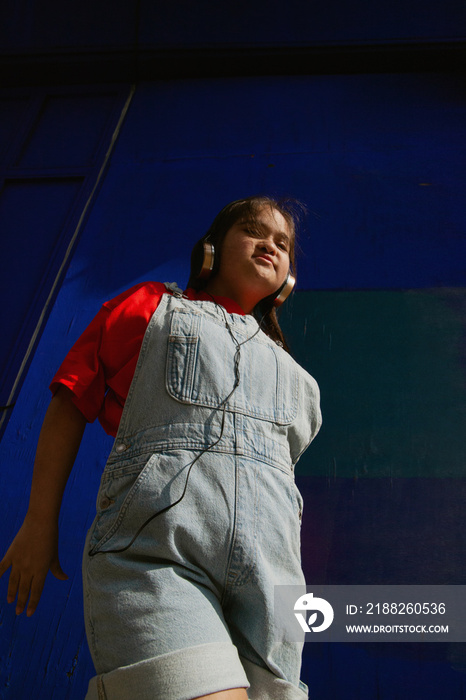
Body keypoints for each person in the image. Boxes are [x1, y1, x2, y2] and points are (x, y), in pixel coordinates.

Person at [0, 195, 322, 699]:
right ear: (211, 248)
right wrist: (40, 522)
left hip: (272, 587)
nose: (271, 246)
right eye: (254, 231)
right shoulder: (152, 308)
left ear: (287, 282)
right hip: (158, 560)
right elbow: (71, 399)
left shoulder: (298, 378)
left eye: (283, 244)